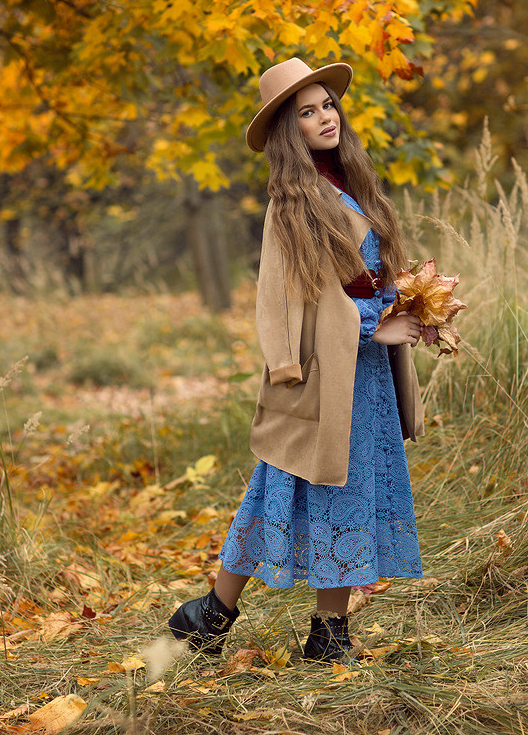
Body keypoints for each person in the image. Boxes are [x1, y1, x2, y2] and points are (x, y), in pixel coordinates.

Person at [168, 57, 426, 664]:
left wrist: (415, 307)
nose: (323, 118)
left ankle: (326, 633)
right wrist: (376, 326)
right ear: (291, 130)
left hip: (364, 373)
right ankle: (212, 611)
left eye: (326, 106)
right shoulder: (294, 202)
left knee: (351, 487)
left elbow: (370, 273)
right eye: (306, 113)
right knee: (284, 483)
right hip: (321, 368)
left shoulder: (351, 183)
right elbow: (302, 295)